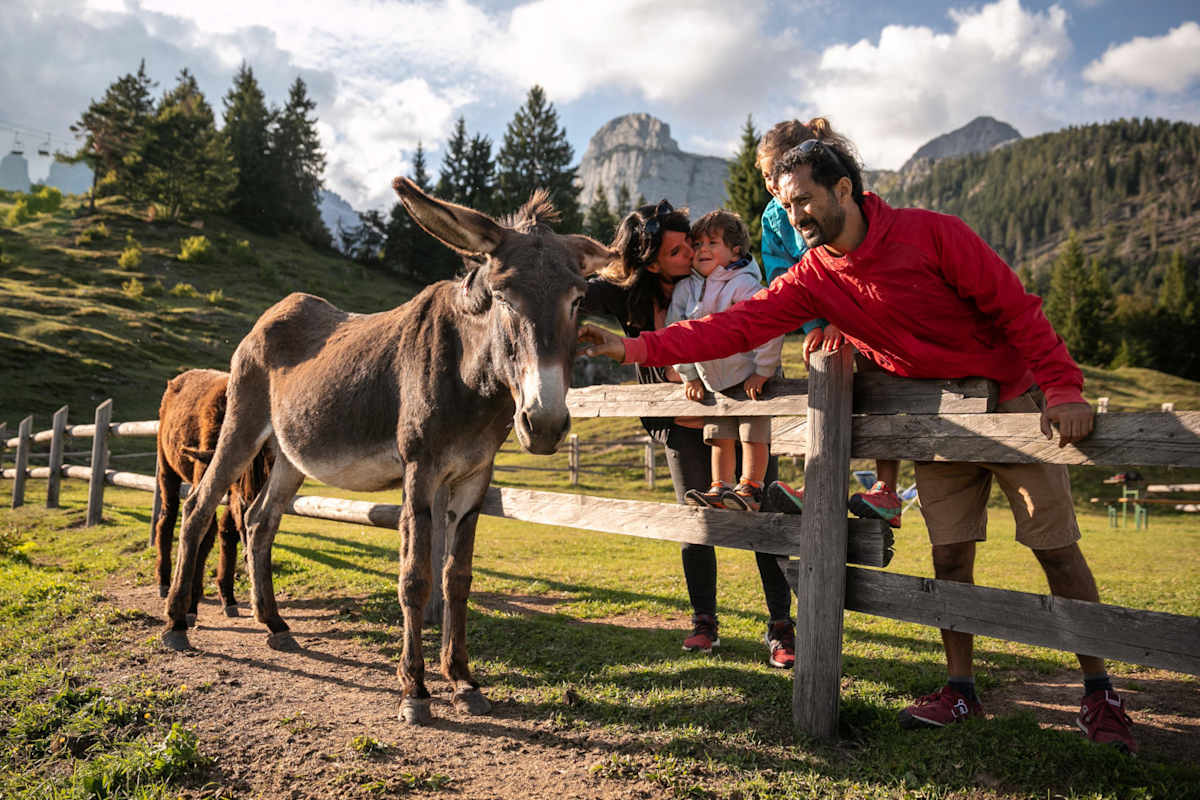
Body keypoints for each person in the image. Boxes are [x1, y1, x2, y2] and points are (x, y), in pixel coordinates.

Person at [579, 130, 1137, 753]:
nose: (795, 217)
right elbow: (737, 324)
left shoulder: (934, 233)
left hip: (1010, 400)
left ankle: (1100, 692)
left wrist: (1061, 387)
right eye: (787, 207)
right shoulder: (817, 275)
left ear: (844, 188)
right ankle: (960, 689)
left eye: (804, 201)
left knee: (1055, 548)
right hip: (936, 419)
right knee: (950, 555)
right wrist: (633, 347)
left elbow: (1017, 309)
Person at [581, 199, 797, 668]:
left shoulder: (721, 281)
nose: (691, 252)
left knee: (764, 514)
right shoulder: (632, 293)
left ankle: (781, 624)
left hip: (740, 408)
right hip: (680, 423)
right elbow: (579, 293)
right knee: (695, 519)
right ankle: (704, 621)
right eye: (680, 249)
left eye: (696, 244)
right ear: (651, 259)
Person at [757, 119, 903, 527]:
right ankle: (822, 483)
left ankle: (887, 491)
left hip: (868, 316)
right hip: (823, 322)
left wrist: (845, 322)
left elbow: (856, 263)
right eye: (766, 177)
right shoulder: (774, 217)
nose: (771, 184)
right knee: (823, 393)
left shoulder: (842, 200)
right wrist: (814, 326)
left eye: (775, 173)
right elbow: (782, 273)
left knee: (879, 394)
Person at [669, 210, 784, 512]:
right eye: (698, 243)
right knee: (719, 436)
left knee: (752, 433)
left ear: (735, 250)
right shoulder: (686, 289)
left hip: (748, 378)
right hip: (713, 382)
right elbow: (676, 334)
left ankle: (751, 488)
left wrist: (763, 371)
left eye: (713, 242)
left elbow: (767, 326)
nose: (702, 249)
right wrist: (689, 375)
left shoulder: (743, 285)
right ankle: (720, 487)